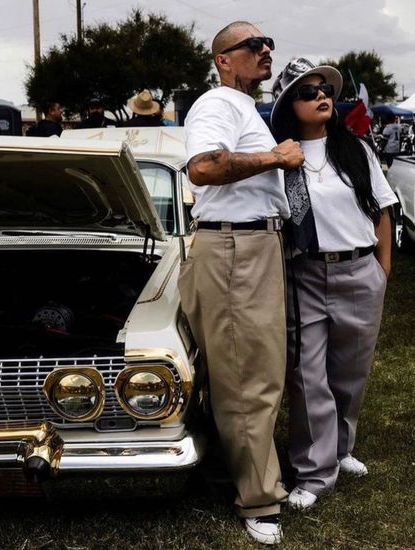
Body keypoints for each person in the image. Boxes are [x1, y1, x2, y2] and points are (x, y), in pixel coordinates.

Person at [178, 21, 304, 546]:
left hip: (250, 246)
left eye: (267, 41)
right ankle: (259, 499)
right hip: (236, 248)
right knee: (249, 374)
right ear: (224, 59)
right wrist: (276, 156)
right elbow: (203, 168)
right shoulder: (217, 104)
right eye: (254, 44)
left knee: (247, 367)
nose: (266, 49)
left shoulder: (242, 107)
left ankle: (234, 469)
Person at [270, 58, 397, 510]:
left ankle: (341, 449)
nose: (321, 96)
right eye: (308, 92)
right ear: (289, 105)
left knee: (350, 372)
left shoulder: (356, 149)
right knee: (308, 377)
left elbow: (383, 209)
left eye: (325, 89)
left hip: (360, 272)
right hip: (306, 273)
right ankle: (313, 471)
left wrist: (382, 270)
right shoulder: (281, 158)